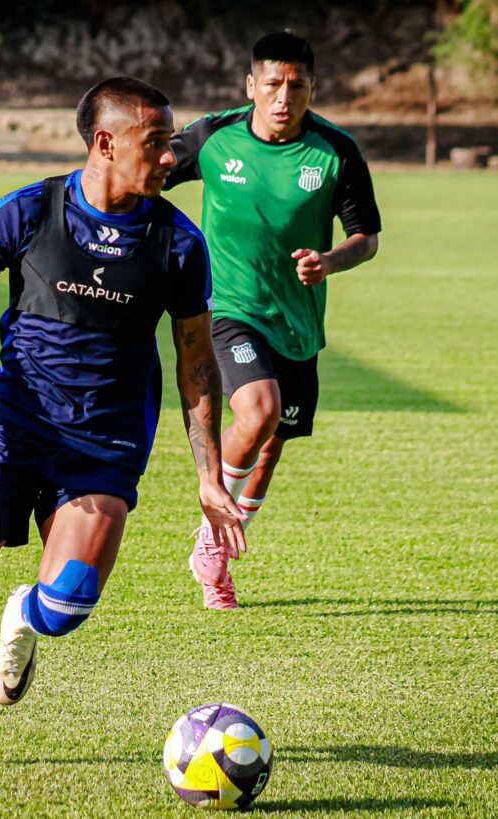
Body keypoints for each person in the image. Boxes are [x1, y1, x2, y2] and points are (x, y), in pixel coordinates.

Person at [0, 77, 245, 773]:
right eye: (156, 144)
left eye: (171, 145)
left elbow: (197, 360)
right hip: (15, 424)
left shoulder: (178, 243)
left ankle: (25, 615)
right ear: (106, 142)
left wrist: (207, 474)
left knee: (67, 601)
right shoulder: (31, 209)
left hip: (105, 442)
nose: (170, 159)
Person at [165, 31, 382, 610]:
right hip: (229, 308)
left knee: (269, 449)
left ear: (313, 88)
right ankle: (210, 533)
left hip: (299, 324)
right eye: (273, 85)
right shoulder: (215, 136)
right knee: (257, 411)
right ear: (251, 86)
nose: (285, 97)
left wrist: (331, 260)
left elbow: (368, 237)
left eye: (298, 86)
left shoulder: (337, 151)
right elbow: (152, 171)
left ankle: (218, 567)